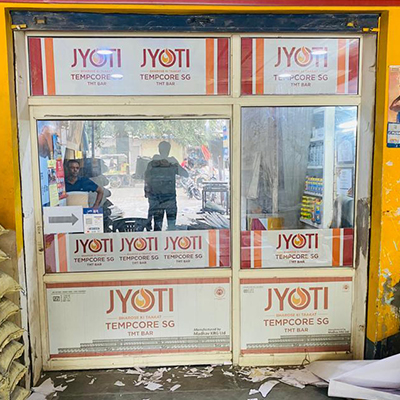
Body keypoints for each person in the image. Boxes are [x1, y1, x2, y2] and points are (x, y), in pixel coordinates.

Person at [145, 141, 188, 231]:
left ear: (159, 150)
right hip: (169, 199)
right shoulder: (171, 163)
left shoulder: (152, 164)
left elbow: (146, 180)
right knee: (171, 226)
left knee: (158, 226)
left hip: (157, 199)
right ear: (169, 150)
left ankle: (158, 239)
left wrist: (147, 192)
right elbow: (185, 174)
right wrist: (174, 164)